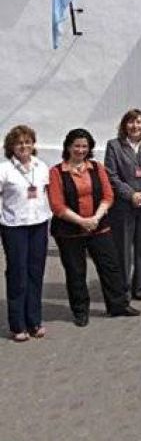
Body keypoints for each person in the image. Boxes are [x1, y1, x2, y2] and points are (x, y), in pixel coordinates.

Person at [49, 129, 140, 326]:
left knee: (110, 267)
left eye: (84, 146)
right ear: (68, 147)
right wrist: (82, 221)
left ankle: (117, 306)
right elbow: (57, 205)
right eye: (77, 146)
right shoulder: (57, 172)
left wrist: (95, 218)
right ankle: (81, 311)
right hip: (69, 231)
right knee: (76, 271)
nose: (80, 150)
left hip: (99, 226)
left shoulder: (97, 168)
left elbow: (108, 196)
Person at [104, 108, 141, 302]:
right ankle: (122, 288)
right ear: (124, 125)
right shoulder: (114, 146)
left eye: (138, 122)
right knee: (122, 248)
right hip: (123, 205)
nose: (134, 126)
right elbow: (111, 175)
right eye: (130, 122)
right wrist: (131, 195)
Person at [0, 125, 51, 341]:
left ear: (33, 144)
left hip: (39, 224)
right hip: (14, 226)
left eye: (28, 141)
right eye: (19, 142)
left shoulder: (41, 166)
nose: (24, 146)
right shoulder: (4, 169)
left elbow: (46, 192)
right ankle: (18, 325)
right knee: (18, 274)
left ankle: (34, 321)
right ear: (11, 146)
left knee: (36, 273)